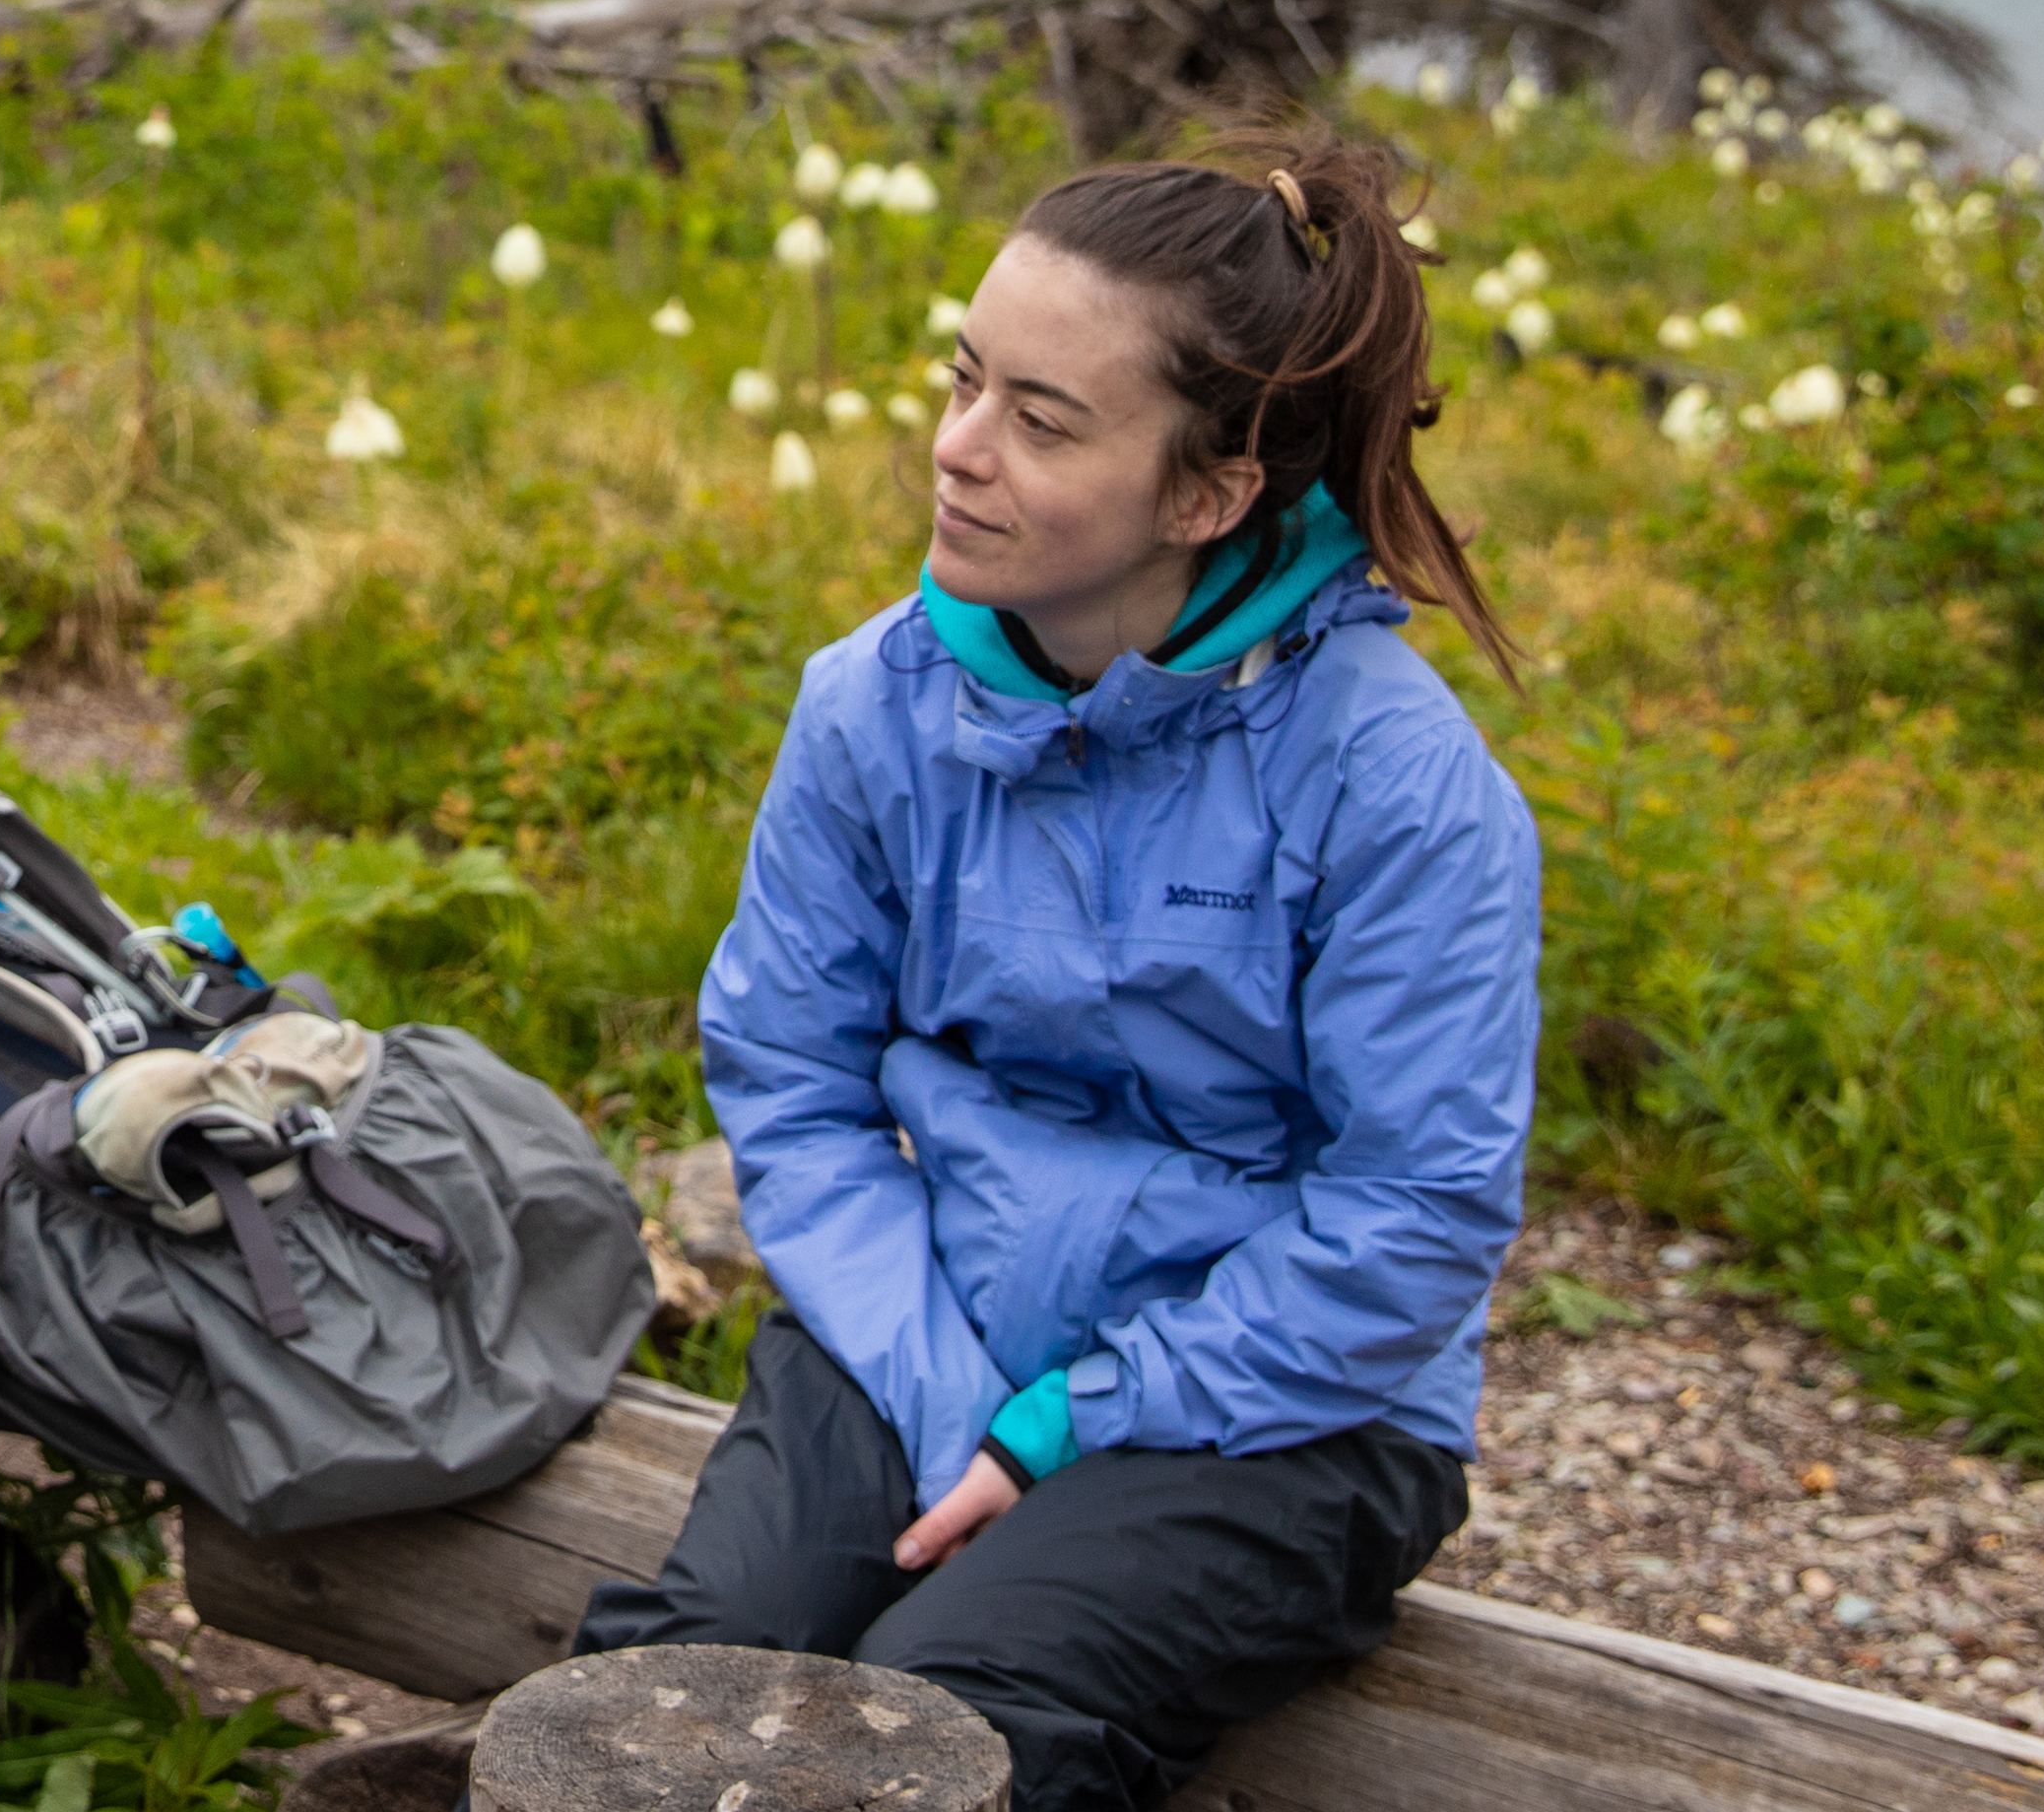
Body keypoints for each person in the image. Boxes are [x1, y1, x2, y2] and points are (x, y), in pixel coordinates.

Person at [578, 132, 1540, 1812]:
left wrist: (1069, 1424)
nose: (957, 453)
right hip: (924, 1314)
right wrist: (952, 1386)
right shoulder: (869, 705)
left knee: (955, 1715)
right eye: (965, 381)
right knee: (694, 1675)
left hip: (1286, 1407)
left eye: (1043, 422)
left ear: (1210, 495)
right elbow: (789, 1087)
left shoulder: (1395, 781)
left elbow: (1416, 1219)